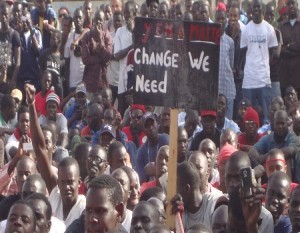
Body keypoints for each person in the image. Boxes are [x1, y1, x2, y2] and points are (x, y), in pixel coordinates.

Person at [25, 84, 86, 227]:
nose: (67, 187)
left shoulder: (85, 207)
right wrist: (31, 104)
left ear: (79, 182)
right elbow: (39, 149)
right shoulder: (55, 193)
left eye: (70, 182)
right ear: (57, 182)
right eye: (63, 182)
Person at [240, 0, 278, 123]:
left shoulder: (269, 29)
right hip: (249, 80)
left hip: (264, 80)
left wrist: (265, 64)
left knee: (266, 117)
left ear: (263, 10)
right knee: (248, 118)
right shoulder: (246, 29)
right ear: (251, 10)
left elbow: (273, 50)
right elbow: (243, 53)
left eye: (258, 7)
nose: (256, 9)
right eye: (254, 7)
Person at [225, 151, 274, 232]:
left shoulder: (265, 216)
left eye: (238, 178)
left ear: (248, 178)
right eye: (228, 178)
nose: (232, 184)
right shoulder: (220, 205)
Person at [249, 110, 300, 181]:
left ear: (288, 123)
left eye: (282, 123)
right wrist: (258, 164)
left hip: (290, 176)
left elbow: (290, 151)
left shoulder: (293, 137)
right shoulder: (268, 138)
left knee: (287, 159)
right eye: (277, 124)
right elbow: (252, 150)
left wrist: (264, 158)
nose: (280, 126)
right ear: (273, 123)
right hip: (269, 176)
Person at [174, 161, 223, 230]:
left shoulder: (213, 204)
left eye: (175, 189)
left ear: (187, 189)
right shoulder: (180, 211)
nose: (173, 195)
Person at [81, 9, 112, 95]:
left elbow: (108, 57)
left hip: (102, 81)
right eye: (96, 19)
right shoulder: (87, 36)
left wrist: (99, 40)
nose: (98, 21)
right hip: (89, 82)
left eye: (100, 20)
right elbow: (85, 59)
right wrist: (102, 60)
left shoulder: (107, 36)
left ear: (103, 21)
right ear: (93, 20)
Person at [114, 1, 136, 116]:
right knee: (122, 112)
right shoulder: (119, 31)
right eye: (125, 12)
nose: (127, 15)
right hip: (122, 81)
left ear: (134, 13)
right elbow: (117, 55)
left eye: (129, 12)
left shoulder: (140, 30)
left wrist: (133, 31)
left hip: (137, 78)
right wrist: (131, 47)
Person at [0, 156, 37, 221]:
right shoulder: (6, 204)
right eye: (20, 174)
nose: (23, 178)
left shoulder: (42, 204)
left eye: (27, 174)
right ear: (16, 179)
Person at [136, 113, 169, 183]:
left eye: (152, 124)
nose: (150, 128)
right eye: (147, 126)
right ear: (143, 129)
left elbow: (173, 166)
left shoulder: (166, 139)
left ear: (157, 123)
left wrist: (155, 170)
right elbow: (141, 178)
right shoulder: (141, 151)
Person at [216, 8, 236, 120]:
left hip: (227, 87)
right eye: (218, 19)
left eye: (223, 19)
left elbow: (231, 64)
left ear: (226, 21)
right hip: (214, 90)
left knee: (228, 122)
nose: (220, 21)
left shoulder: (230, 42)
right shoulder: (209, 40)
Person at [278, 0, 300, 97]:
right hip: (285, 76)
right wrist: (295, 47)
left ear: (297, 5)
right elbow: (280, 50)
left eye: (293, 3)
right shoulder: (281, 27)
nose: (291, 6)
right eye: (288, 4)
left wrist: (288, 46)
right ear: (285, 7)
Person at [17, 12, 42, 91]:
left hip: (34, 79)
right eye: (23, 21)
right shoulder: (18, 35)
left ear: (32, 21)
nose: (25, 23)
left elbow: (37, 51)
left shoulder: (37, 33)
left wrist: (31, 30)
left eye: (27, 21)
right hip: (21, 79)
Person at [64, 8, 86, 93]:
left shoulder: (88, 35)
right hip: (73, 82)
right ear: (73, 19)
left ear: (83, 19)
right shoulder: (70, 38)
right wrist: (67, 81)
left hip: (85, 80)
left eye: (80, 17)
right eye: (76, 17)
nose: (78, 20)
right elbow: (66, 61)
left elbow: (87, 30)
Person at [264, 3, 283, 99]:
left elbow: (276, 54)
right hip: (260, 78)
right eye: (267, 14)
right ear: (263, 14)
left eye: (271, 14)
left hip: (274, 77)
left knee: (276, 105)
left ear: (274, 17)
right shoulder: (257, 32)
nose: (269, 17)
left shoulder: (277, 32)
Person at [39, 30, 63, 99]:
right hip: (45, 89)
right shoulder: (44, 54)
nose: (51, 40)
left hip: (57, 92)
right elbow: (40, 72)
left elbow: (63, 77)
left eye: (54, 38)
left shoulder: (62, 59)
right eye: (51, 38)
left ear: (59, 41)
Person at [0, 2, 20, 87]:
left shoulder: (14, 34)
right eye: (1, 14)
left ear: (9, 15)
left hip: (9, 79)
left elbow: (18, 62)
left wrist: (13, 80)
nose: (3, 17)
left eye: (5, 14)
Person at [107, 11, 124, 104]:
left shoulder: (127, 36)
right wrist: (116, 56)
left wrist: (115, 55)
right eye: (115, 21)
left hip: (122, 82)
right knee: (109, 106)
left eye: (119, 21)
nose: (117, 23)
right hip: (111, 80)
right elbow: (107, 54)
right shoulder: (109, 36)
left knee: (121, 109)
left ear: (123, 21)